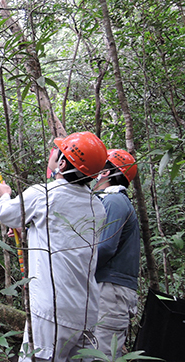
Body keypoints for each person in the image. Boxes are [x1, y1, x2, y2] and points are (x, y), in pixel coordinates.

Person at [0, 132, 108, 362]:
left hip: (51, 311)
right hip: (86, 310)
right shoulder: (98, 208)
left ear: (63, 163)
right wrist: (28, 228)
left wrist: (4, 195)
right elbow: (62, 234)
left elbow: (5, 214)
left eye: (57, 153)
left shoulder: (43, 194)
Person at [93, 149, 140, 357]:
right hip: (105, 289)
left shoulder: (114, 201)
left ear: (106, 172)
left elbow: (105, 247)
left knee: (102, 353)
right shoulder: (106, 200)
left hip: (111, 291)